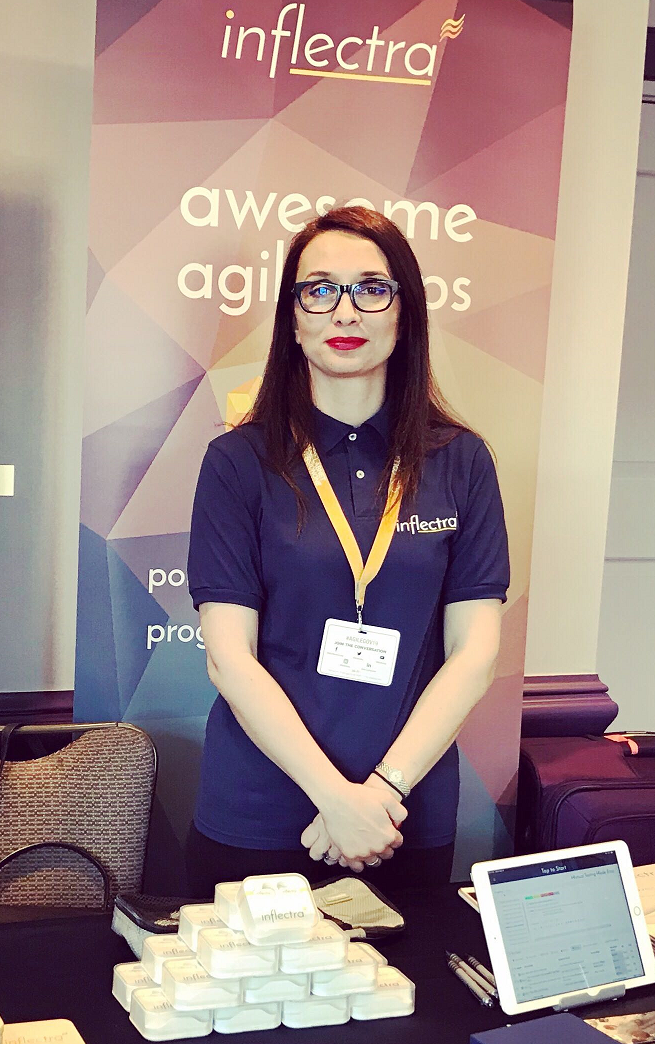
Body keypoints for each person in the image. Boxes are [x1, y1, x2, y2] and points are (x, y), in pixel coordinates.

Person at [185, 205, 508, 897]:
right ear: (292, 320)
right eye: (320, 290)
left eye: (371, 289)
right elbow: (228, 657)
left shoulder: (461, 462)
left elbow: (474, 653)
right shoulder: (237, 462)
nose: (345, 311)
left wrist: (378, 795)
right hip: (260, 808)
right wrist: (335, 799)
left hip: (402, 812)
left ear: (405, 314)